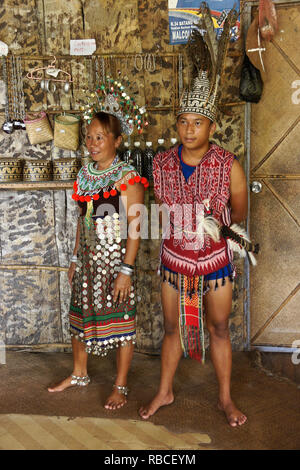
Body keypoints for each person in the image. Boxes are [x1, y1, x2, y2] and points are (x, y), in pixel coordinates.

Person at [139, 14, 248, 425]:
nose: (188, 129)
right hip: (173, 261)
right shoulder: (162, 163)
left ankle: (224, 398)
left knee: (219, 329)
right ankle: (165, 392)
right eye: (183, 121)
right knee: (171, 329)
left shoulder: (227, 164)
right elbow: (162, 207)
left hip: (215, 262)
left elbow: (239, 214)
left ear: (211, 125)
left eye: (197, 122)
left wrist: (214, 231)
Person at [48, 108, 147, 410]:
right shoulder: (84, 175)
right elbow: (82, 220)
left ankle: (120, 385)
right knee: (78, 316)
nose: (92, 143)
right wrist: (76, 259)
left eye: (99, 137)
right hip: (88, 262)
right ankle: (79, 374)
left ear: (117, 141)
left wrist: (126, 271)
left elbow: (135, 227)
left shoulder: (127, 177)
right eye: (89, 137)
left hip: (115, 262)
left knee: (121, 320)